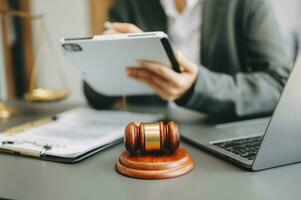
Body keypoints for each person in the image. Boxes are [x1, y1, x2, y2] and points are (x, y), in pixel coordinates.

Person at [84, 0, 291, 118]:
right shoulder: (128, 5)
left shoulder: (247, 3)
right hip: (150, 145)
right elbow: (94, 95)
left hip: (221, 133)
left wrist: (197, 87)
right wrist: (104, 59)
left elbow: (278, 86)